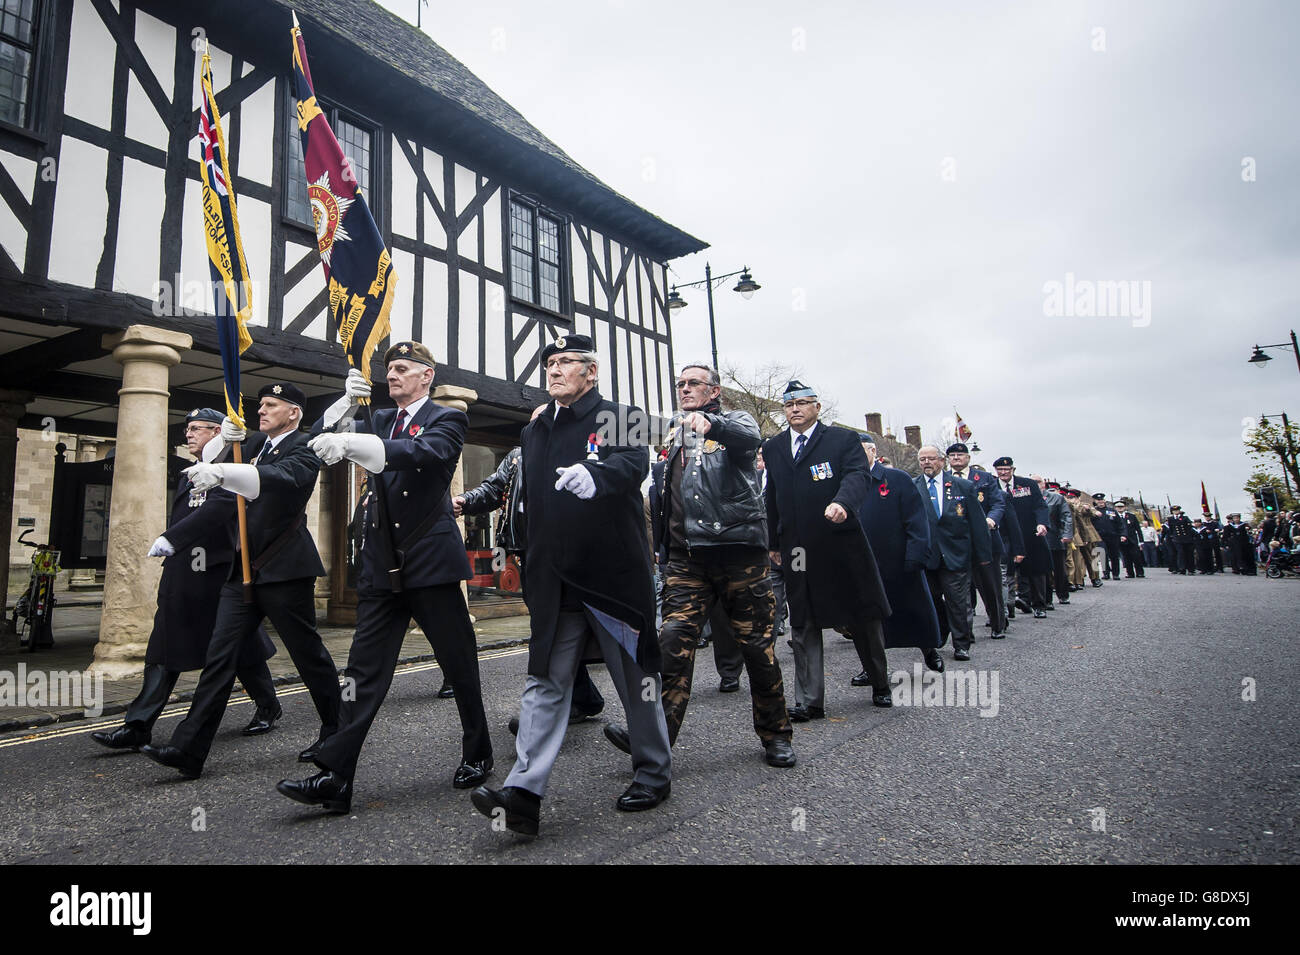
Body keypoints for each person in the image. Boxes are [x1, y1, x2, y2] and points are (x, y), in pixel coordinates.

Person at [275, 343, 493, 813]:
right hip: (381, 564)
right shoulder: (375, 418)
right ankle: (337, 776)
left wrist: (356, 441)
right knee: (363, 673)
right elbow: (313, 444)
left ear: (426, 376)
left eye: (401, 369)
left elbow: (423, 454)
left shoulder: (446, 418)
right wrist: (340, 407)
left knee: (458, 663)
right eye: (388, 370)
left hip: (428, 562)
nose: (391, 376)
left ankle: (478, 749)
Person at [470, 335, 672, 836]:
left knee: (634, 678)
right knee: (544, 681)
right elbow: (532, 502)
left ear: (592, 372)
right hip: (554, 579)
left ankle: (653, 771)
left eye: (566, 362)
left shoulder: (623, 414)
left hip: (611, 578)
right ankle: (523, 793)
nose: (555, 370)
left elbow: (635, 464)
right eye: (550, 363)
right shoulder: (534, 430)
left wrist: (595, 473)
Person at [141, 383, 341, 779]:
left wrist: (228, 467)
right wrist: (224, 444)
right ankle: (189, 747)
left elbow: (276, 479)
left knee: (308, 657)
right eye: (260, 405)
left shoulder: (305, 447)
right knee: (219, 657)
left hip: (284, 569)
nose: (261, 411)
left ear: (294, 413)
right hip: (241, 571)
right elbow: (212, 465)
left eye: (271, 405)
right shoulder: (251, 447)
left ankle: (337, 732)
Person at [603, 363, 795, 768]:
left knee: (757, 649)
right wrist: (667, 553)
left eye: (694, 383)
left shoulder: (732, 423)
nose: (685, 389)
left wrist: (712, 424)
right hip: (687, 563)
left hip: (739, 554)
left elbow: (749, 437)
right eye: (680, 384)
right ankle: (654, 736)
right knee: (671, 644)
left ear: (714, 391)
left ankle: (776, 734)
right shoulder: (675, 435)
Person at [92, 409, 279, 752]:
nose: (188, 434)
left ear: (215, 432)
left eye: (197, 429)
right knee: (163, 650)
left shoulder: (231, 468)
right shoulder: (188, 471)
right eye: (187, 428)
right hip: (181, 576)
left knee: (240, 650)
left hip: (216, 574)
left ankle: (268, 705)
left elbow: (219, 509)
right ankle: (137, 725)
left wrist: (172, 538)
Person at [761, 380, 892, 720]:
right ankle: (809, 700)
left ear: (817, 407)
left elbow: (857, 476)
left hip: (840, 543)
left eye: (803, 403)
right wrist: (774, 543)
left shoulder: (842, 440)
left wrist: (843, 503)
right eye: (789, 405)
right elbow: (771, 496)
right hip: (798, 550)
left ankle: (879, 682)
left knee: (862, 616)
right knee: (803, 619)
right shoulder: (774, 447)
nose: (795, 410)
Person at [455, 440, 606, 729]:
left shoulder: (569, 451)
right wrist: (465, 500)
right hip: (529, 555)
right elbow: (494, 488)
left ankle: (548, 714)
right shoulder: (517, 456)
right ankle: (584, 698)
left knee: (560, 631)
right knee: (552, 629)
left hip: (568, 556)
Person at [856, 434, 943, 673]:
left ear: (873, 451)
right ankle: (871, 668)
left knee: (915, 611)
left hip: (899, 560)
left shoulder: (897, 479)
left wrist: (916, 554)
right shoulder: (848, 481)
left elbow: (916, 519)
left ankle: (929, 649)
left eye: (862, 450)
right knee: (870, 621)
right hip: (865, 562)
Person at [915, 446, 991, 661]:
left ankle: (961, 643)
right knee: (931, 600)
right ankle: (939, 633)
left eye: (931, 459)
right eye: (922, 460)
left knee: (958, 602)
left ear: (942, 461)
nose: (926, 463)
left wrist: (983, 555)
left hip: (956, 554)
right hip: (927, 556)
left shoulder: (963, 486)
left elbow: (977, 522)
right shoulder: (913, 486)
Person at [947, 444, 1009, 636]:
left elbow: (998, 502)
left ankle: (998, 624)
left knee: (991, 586)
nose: (956, 458)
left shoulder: (984, 478)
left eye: (960, 455)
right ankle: (966, 632)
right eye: (952, 455)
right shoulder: (944, 480)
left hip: (985, 539)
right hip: (957, 542)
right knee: (961, 590)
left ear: (968, 458)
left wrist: (991, 519)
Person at [993, 456, 1051, 618]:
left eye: (1007, 469)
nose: (1003, 472)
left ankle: (1040, 605)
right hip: (1005, 535)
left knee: (1036, 570)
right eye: (1000, 470)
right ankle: (1009, 606)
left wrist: (1042, 524)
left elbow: (1040, 506)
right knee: (1007, 572)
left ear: (1013, 470)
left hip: (1029, 532)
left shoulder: (1027, 485)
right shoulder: (992, 486)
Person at [1036, 477, 1073, 606]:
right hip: (1037, 539)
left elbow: (1066, 516)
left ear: (1044, 484)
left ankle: (1063, 594)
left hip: (1055, 538)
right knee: (1042, 570)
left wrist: (1067, 534)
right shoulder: (1028, 499)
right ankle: (1046, 600)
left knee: (1059, 570)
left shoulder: (1056, 498)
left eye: (1038, 482)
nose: (1036, 485)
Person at [1092, 494, 1123, 580]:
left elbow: (1119, 524)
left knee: (1114, 555)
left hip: (1113, 536)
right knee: (1102, 554)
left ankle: (1115, 573)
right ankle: (1106, 573)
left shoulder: (1112, 511)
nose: (1100, 502)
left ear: (1104, 501)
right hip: (1100, 536)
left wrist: (1122, 534)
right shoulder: (1094, 512)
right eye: (1098, 501)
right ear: (1095, 502)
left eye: (1102, 501)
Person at [1115, 501, 1144, 578]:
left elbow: (1138, 529)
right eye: (1118, 507)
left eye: (1121, 507)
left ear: (1125, 507)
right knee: (1126, 558)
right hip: (1121, 540)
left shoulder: (1131, 516)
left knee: (1136, 557)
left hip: (1132, 540)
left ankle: (1140, 572)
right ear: (1115, 508)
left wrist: (1141, 541)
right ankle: (1130, 573)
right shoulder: (1114, 517)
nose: (1120, 508)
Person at [1166, 505, 1196, 574]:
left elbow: (1189, 527)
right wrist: (1172, 536)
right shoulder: (1170, 519)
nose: (1176, 512)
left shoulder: (1185, 518)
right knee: (1180, 553)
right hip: (1177, 539)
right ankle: (1182, 568)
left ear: (1179, 511)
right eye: (1174, 511)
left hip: (1186, 538)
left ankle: (1190, 569)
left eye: (1177, 510)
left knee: (1188, 554)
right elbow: (1171, 529)